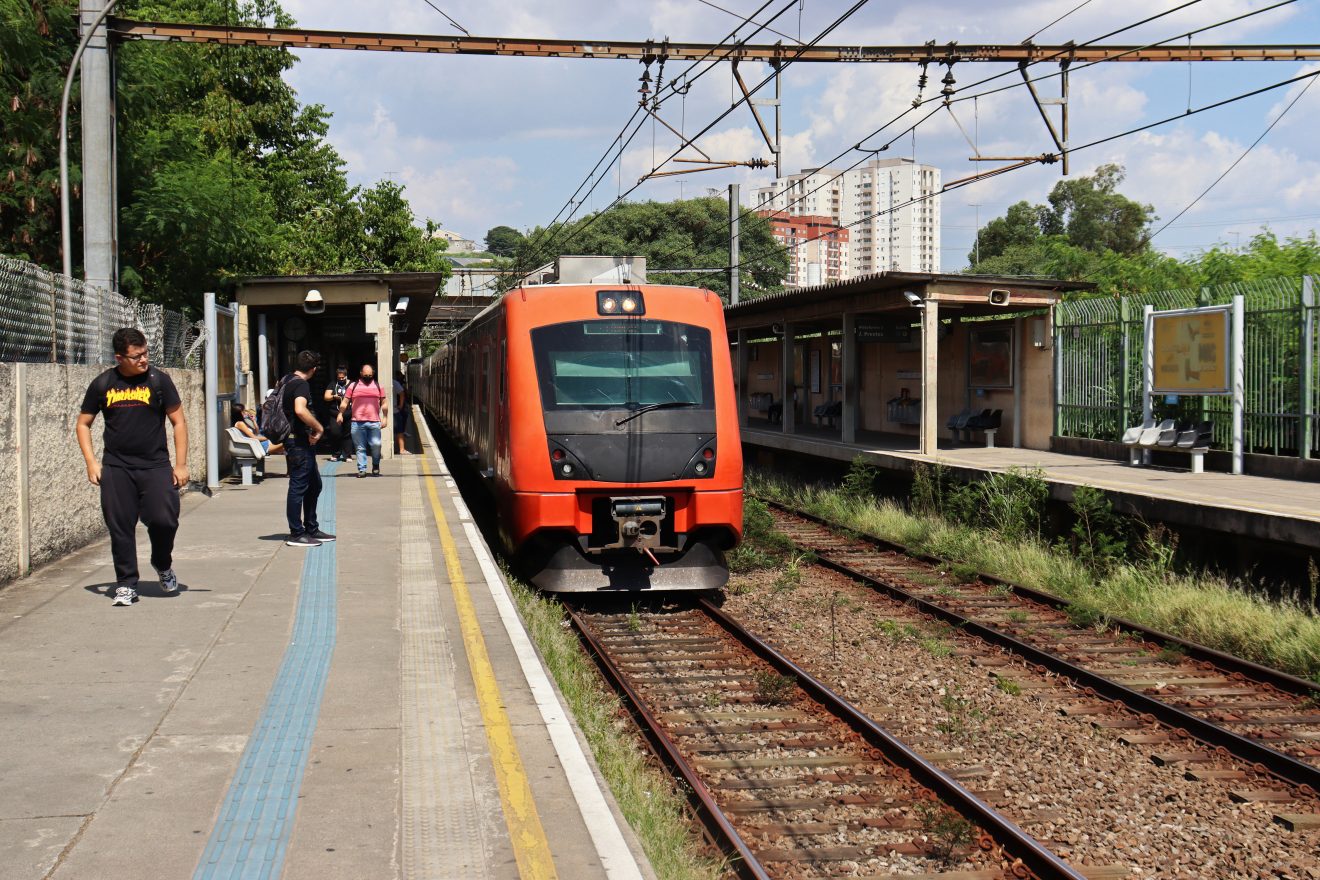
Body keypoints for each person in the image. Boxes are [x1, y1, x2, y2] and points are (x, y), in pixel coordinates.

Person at [76, 327, 188, 607]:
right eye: (136, 356)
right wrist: (92, 462)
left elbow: (179, 422)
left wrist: (182, 464)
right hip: (117, 468)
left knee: (164, 520)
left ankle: (162, 563)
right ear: (119, 357)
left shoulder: (158, 381)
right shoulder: (103, 384)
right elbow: (83, 424)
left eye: (145, 353)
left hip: (155, 466)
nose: (143, 359)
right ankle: (126, 583)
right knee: (120, 527)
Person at [283, 350, 336, 547]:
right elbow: (299, 409)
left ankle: (311, 528)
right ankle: (296, 533)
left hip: (299, 441)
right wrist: (318, 427)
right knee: (298, 487)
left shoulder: (286, 380)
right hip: (297, 442)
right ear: (313, 369)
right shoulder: (301, 384)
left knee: (314, 485)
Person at [340, 364, 389, 477]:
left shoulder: (378, 386)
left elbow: (384, 403)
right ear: (361, 373)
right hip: (357, 422)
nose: (368, 376)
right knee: (360, 447)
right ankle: (362, 469)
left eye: (370, 375)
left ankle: (376, 464)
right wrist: (340, 414)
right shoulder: (353, 386)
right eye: (366, 375)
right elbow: (345, 401)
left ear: (373, 374)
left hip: (374, 422)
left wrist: (385, 418)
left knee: (376, 445)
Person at [322, 365, 353, 462]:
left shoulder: (352, 385)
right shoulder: (333, 384)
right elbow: (326, 397)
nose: (341, 379)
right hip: (335, 413)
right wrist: (334, 396)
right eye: (339, 378)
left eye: (343, 377)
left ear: (346, 376)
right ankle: (336, 453)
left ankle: (347, 455)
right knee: (335, 433)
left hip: (348, 413)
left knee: (347, 434)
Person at [394, 375, 412, 455]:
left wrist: (400, 406)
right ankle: (401, 449)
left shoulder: (393, 382)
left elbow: (402, 393)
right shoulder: (394, 382)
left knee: (399, 430)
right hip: (394, 411)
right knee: (399, 430)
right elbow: (402, 393)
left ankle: (400, 449)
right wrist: (401, 406)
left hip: (393, 411)